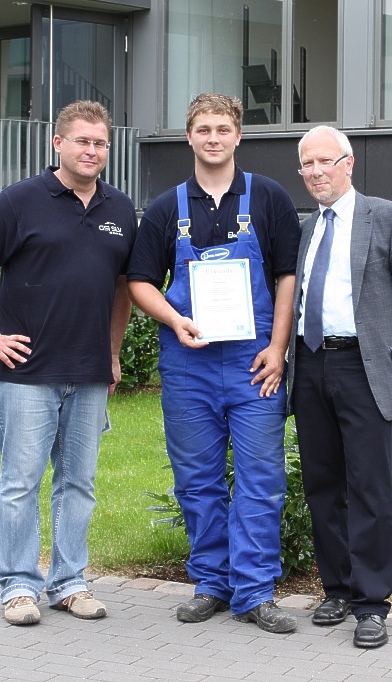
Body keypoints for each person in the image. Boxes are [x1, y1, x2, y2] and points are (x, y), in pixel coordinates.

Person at [0, 100, 136, 626]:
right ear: (58, 143)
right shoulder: (21, 200)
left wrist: (113, 352)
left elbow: (123, 287)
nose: (91, 151)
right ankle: (17, 585)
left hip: (90, 372)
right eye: (82, 141)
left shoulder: (121, 210)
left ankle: (70, 583)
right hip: (28, 372)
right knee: (21, 483)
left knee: (78, 484)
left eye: (100, 143)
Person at [127, 93, 300, 633]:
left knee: (260, 480)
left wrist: (278, 348)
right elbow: (139, 282)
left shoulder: (268, 198)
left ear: (238, 135)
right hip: (189, 366)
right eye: (203, 129)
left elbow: (288, 277)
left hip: (255, 366)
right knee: (197, 482)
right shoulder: (165, 208)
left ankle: (255, 591)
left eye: (223, 129)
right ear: (189, 137)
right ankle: (211, 584)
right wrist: (174, 319)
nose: (213, 138)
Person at [288, 125, 392, 648]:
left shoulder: (389, 217)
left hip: (362, 366)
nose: (316, 172)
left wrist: (380, 343)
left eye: (325, 161)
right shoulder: (307, 228)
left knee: (369, 486)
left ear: (348, 163)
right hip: (310, 366)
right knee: (322, 484)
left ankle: (371, 605)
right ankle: (337, 589)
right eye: (307, 164)